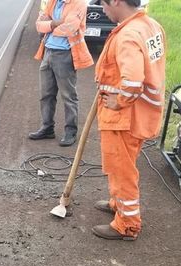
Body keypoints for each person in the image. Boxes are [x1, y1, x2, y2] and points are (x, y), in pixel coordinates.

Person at [91, 0, 166, 240]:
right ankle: (118, 203)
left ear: (116, 1)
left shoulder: (129, 35)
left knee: (122, 169)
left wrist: (119, 101)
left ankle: (127, 224)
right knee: (122, 164)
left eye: (103, 4)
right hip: (142, 113)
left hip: (125, 117)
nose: (102, 10)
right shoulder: (150, 26)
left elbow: (133, 81)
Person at [31, 0, 93, 146]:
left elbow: (70, 28)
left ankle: (70, 131)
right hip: (48, 51)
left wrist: (50, 25)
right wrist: (54, 23)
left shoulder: (79, 3)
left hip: (65, 54)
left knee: (68, 96)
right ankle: (47, 128)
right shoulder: (52, 1)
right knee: (46, 94)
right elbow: (39, 25)